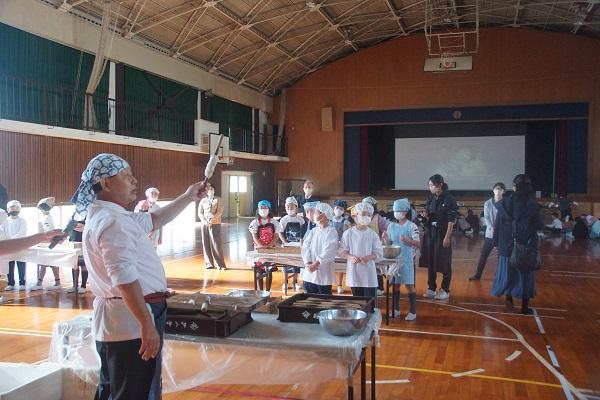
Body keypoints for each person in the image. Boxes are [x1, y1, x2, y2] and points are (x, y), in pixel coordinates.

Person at [72, 153, 206, 400]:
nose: (134, 181)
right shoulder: (113, 221)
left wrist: (188, 197)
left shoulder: (112, 215)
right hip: (131, 321)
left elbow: (155, 219)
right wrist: (146, 323)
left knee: (117, 388)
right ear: (106, 183)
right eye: (126, 176)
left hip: (124, 316)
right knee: (133, 391)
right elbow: (124, 278)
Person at [490, 174, 544, 315]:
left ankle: (509, 300)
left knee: (507, 274)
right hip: (526, 246)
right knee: (526, 275)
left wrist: (496, 242)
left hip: (507, 246)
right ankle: (525, 307)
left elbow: (497, 224)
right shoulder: (533, 205)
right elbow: (539, 225)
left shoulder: (505, 203)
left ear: (515, 187)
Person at [419, 174, 458, 301]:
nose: (430, 187)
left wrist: (447, 236)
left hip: (442, 234)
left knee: (444, 261)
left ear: (440, 185)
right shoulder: (430, 198)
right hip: (431, 233)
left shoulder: (449, 198)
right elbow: (429, 215)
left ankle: (445, 289)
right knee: (431, 261)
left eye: (432, 185)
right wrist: (425, 216)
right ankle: (431, 288)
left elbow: (451, 220)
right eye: (429, 185)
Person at [383, 199, 420, 321]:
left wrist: (407, 240)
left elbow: (418, 243)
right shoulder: (391, 226)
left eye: (398, 211)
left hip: (407, 260)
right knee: (396, 285)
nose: (396, 213)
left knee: (409, 285)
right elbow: (389, 244)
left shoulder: (411, 226)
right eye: (395, 211)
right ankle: (396, 309)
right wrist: (385, 239)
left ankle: (413, 311)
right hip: (394, 260)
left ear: (405, 212)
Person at [340, 202, 383, 298]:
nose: (366, 217)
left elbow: (379, 253)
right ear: (355, 216)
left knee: (370, 301)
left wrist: (368, 257)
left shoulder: (373, 234)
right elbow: (342, 251)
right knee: (356, 301)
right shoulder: (348, 233)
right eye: (363, 214)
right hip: (354, 271)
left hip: (368, 273)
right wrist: (350, 257)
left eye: (369, 215)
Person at [469, 183, 505, 281]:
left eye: (500, 189)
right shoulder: (488, 203)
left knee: (500, 256)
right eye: (496, 189)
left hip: (502, 234)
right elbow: (487, 217)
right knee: (484, 254)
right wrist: (491, 228)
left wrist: (499, 229)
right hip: (490, 234)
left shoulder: (505, 203)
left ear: (503, 191)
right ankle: (477, 275)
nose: (498, 190)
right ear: (493, 190)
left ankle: (499, 276)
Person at [301, 202, 338, 294]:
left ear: (324, 215)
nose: (314, 215)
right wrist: (308, 262)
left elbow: (329, 250)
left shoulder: (331, 232)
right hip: (309, 272)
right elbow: (305, 247)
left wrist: (317, 263)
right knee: (309, 297)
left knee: (323, 298)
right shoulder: (314, 231)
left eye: (317, 212)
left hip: (323, 272)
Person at [249, 200, 281, 291]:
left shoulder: (274, 222)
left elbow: (276, 236)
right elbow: (254, 236)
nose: (263, 209)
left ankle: (267, 291)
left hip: (271, 249)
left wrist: (270, 245)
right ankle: (260, 291)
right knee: (259, 270)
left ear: (269, 209)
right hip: (259, 249)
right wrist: (261, 246)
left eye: (265, 207)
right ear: (258, 209)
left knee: (269, 269)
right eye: (261, 208)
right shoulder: (254, 223)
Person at [31, 197, 62, 291]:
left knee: (51, 263)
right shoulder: (45, 217)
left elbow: (49, 232)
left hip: (49, 243)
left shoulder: (47, 218)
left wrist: (45, 240)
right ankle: (41, 282)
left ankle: (54, 283)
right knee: (44, 263)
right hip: (46, 242)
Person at [278, 196, 305, 291]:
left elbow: (304, 232)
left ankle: (295, 281)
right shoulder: (283, 220)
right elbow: (280, 232)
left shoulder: (301, 220)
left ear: (296, 207)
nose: (290, 208)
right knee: (286, 264)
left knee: (296, 264)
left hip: (298, 245)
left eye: (292, 206)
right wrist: (285, 242)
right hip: (286, 245)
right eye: (288, 207)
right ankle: (285, 282)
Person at [197, 183, 226, 270]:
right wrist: (204, 221)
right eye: (209, 189)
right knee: (205, 243)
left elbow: (220, 212)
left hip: (215, 223)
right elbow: (200, 212)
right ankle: (209, 263)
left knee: (216, 244)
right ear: (206, 191)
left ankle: (220, 264)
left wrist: (211, 220)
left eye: (212, 189)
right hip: (204, 224)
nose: (211, 190)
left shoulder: (218, 199)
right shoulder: (203, 200)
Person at [4, 200, 28, 291]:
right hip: (8, 246)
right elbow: (2, 232)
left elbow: (21, 233)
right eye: (12, 207)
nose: (14, 209)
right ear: (8, 209)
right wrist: (8, 242)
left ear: (19, 209)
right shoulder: (4, 221)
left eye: (16, 207)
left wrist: (12, 241)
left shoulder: (22, 221)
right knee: (9, 265)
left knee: (21, 264)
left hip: (20, 246)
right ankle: (10, 283)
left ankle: (22, 283)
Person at [331, 199, 353, 294]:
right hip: (330, 245)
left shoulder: (346, 222)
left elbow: (348, 234)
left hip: (341, 245)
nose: (338, 210)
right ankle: (329, 283)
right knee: (330, 265)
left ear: (344, 211)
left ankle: (339, 285)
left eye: (341, 209)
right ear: (333, 208)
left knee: (340, 266)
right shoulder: (329, 220)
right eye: (336, 208)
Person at [66, 221, 89, 294]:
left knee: (83, 265)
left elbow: (84, 227)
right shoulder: (73, 217)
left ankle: (83, 286)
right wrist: (74, 226)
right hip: (73, 243)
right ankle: (74, 286)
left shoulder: (86, 217)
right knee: (74, 265)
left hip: (82, 244)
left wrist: (74, 226)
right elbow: (69, 226)